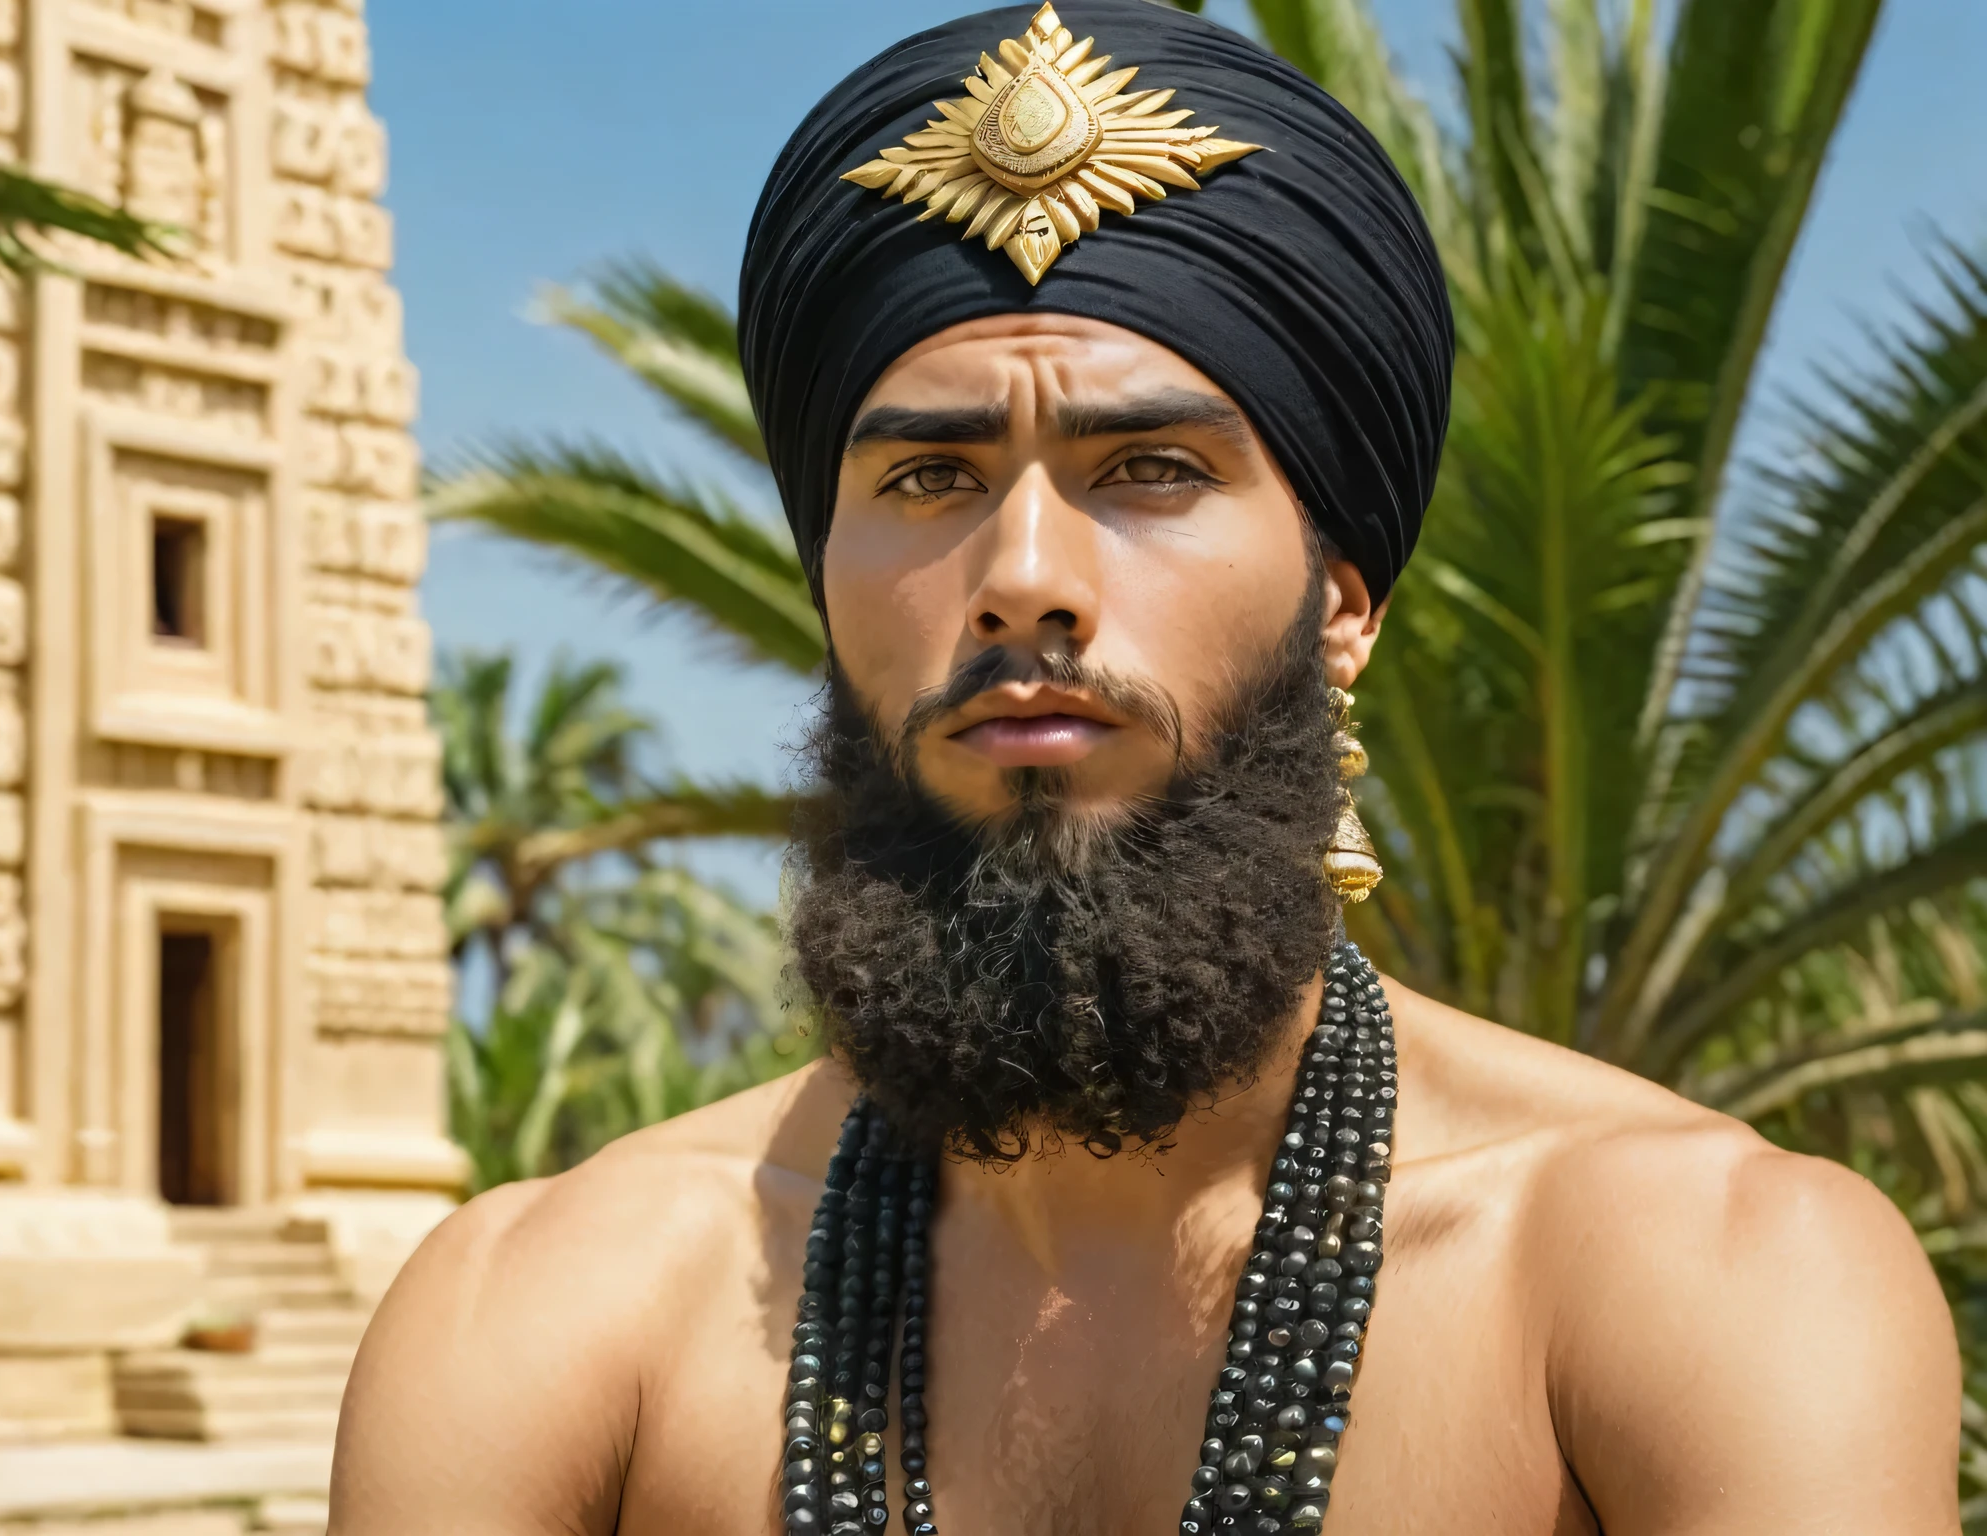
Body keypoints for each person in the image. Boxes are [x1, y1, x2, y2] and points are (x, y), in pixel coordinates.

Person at [328, 4, 1960, 1532]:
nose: (1023, 569)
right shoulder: (543, 1320)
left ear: (1342, 603)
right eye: (929, 474)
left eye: (1153, 469)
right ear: (827, 583)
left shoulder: (1713, 1287)